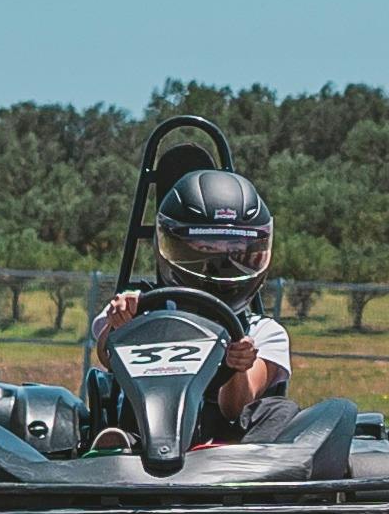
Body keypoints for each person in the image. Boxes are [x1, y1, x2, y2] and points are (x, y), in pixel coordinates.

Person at [88, 166, 300, 444]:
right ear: (176, 246)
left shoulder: (264, 333)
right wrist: (120, 322)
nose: (222, 264)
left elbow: (236, 407)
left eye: (236, 251)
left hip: (223, 453)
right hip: (143, 437)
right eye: (206, 248)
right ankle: (121, 446)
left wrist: (238, 366)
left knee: (286, 411)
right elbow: (106, 357)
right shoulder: (143, 307)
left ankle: (220, 456)